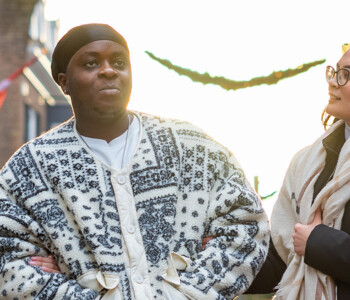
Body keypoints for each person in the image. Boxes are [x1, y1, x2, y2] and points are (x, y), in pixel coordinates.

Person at [0, 23, 269, 300]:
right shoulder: (30, 168)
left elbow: (245, 225)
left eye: (119, 62)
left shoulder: (192, 147)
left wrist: (190, 292)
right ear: (64, 81)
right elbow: (10, 263)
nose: (108, 70)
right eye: (91, 63)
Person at [247, 47, 350, 299]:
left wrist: (318, 243)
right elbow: (282, 259)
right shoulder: (308, 163)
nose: (333, 82)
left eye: (346, 74)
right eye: (334, 72)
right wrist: (227, 253)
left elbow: (306, 243)